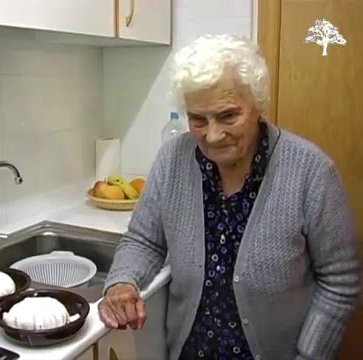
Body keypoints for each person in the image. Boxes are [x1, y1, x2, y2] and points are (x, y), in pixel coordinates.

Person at [97, 34, 362, 360]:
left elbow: (340, 282)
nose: (212, 135)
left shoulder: (311, 172)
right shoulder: (172, 160)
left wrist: (309, 356)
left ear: (258, 104)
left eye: (228, 116)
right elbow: (144, 240)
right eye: (197, 119)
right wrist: (122, 283)